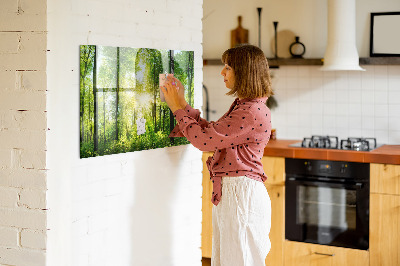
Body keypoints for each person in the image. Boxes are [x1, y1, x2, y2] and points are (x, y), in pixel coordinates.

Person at [161, 44, 273, 266]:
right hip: (236, 193)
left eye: (228, 67)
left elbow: (204, 141)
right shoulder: (246, 106)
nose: (222, 72)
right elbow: (212, 133)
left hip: (241, 195)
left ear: (244, 72)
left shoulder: (250, 111)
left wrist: (176, 108)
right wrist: (182, 103)